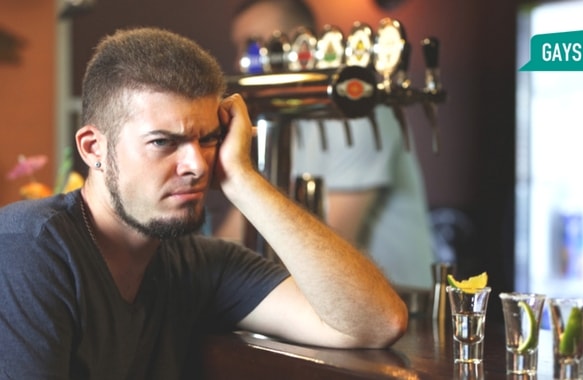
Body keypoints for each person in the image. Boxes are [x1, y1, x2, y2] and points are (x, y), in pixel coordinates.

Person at [0, 27, 407, 379]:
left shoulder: (201, 264)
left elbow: (375, 323)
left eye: (209, 138)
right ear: (93, 149)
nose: (197, 165)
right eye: (164, 142)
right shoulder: (29, 248)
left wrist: (244, 180)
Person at [226, 0, 436, 291]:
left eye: (256, 46)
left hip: (400, 302)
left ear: (302, 46)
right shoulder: (287, 119)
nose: (242, 62)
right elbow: (240, 225)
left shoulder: (359, 111)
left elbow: (330, 241)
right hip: (338, 297)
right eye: (240, 49)